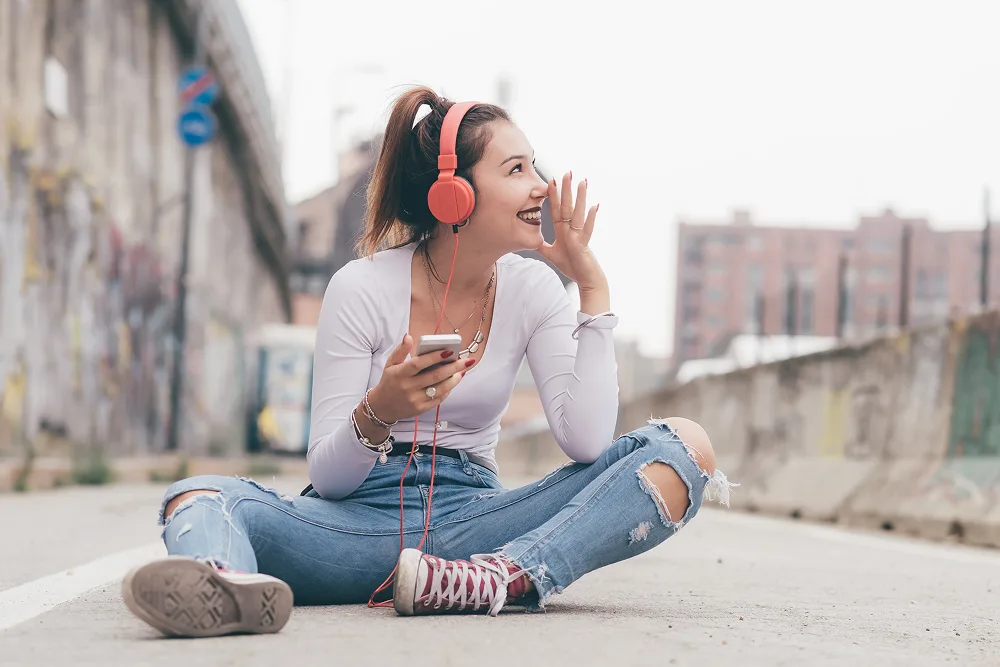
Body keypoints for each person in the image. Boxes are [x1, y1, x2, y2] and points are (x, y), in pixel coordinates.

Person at [121, 86, 734, 638]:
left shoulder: (536, 290)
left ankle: (503, 580)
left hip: (481, 525)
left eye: (534, 167)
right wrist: (381, 410)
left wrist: (591, 289)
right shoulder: (359, 288)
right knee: (198, 494)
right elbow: (329, 479)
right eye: (516, 169)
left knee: (684, 447)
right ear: (454, 192)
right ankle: (222, 585)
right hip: (357, 526)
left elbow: (588, 441)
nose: (541, 186)